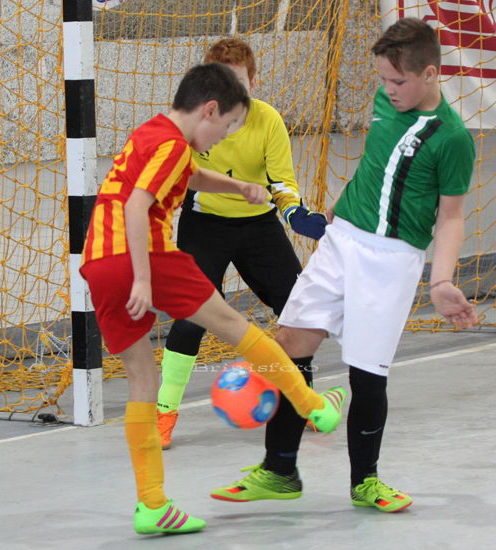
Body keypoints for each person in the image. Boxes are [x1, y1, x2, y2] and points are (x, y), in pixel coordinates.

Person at [210, 18, 478, 512]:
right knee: (289, 342)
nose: (389, 89)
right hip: (341, 241)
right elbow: (375, 163)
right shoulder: (385, 102)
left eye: (398, 81)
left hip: (391, 259)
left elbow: (452, 216)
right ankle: (280, 470)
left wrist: (441, 279)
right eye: (383, 79)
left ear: (431, 73)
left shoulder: (453, 138)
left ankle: (365, 482)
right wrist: (336, 214)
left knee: (366, 372)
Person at [79, 63, 344, 535]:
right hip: (145, 255)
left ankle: (152, 506)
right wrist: (143, 279)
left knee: (143, 378)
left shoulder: (154, 133)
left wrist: (238, 186)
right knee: (236, 327)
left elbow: (189, 177)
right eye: (227, 126)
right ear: (210, 110)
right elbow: (138, 205)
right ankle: (309, 403)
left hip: (99, 261)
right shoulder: (172, 145)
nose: (226, 136)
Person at [156, 38, 329, 450]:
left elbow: (281, 181)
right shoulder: (197, 122)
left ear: (254, 81)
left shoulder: (268, 120)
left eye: (239, 82)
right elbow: (178, 175)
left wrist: (295, 213)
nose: (231, 92)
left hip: (258, 227)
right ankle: (163, 412)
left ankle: (302, 402)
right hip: (204, 226)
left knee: (297, 310)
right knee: (191, 318)